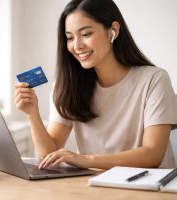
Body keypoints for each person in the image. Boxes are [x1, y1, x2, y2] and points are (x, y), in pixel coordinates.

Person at [13, 0, 177, 170]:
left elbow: (153, 154)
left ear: (113, 31)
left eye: (86, 34)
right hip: (94, 187)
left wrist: (86, 159)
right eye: (70, 37)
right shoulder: (69, 85)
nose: (77, 46)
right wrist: (32, 114)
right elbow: (49, 155)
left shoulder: (154, 79)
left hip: (149, 190)